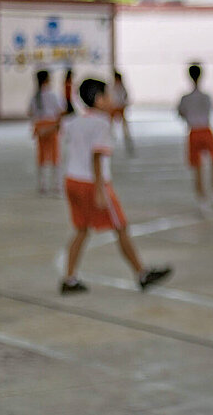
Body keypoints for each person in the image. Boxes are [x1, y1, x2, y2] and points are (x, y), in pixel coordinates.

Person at [58, 78, 172, 295]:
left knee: (82, 230)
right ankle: (142, 273)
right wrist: (100, 188)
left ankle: (69, 278)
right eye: (108, 95)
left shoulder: (75, 121)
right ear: (99, 100)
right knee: (120, 227)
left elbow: (60, 129)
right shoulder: (103, 122)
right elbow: (97, 155)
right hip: (93, 183)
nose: (112, 99)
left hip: (72, 181)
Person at [177, 64, 213, 211]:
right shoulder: (206, 97)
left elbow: (180, 113)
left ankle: (201, 198)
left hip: (194, 132)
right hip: (206, 130)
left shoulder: (185, 98)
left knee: (198, 167)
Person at [29, 70, 65, 194]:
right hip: (52, 126)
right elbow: (61, 110)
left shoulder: (35, 96)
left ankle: (42, 185)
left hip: (40, 127)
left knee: (42, 156)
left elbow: (30, 112)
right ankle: (57, 185)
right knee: (55, 156)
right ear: (47, 80)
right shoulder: (53, 95)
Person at [109, 71, 134, 155]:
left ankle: (126, 137)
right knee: (111, 123)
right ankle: (111, 135)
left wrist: (123, 106)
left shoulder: (121, 87)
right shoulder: (113, 87)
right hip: (115, 107)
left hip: (120, 107)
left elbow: (125, 97)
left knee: (124, 125)